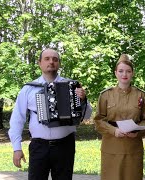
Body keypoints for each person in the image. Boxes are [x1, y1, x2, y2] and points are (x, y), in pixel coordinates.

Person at [8, 48, 92, 180]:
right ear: (39, 63)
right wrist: (17, 148)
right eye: (47, 59)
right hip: (39, 147)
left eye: (55, 59)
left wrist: (82, 100)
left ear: (59, 63)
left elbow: (86, 116)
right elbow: (17, 119)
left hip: (65, 146)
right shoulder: (28, 89)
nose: (51, 62)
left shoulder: (72, 86)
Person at [93, 54, 145, 180]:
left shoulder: (141, 95)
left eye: (128, 71)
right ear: (115, 73)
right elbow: (98, 120)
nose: (124, 74)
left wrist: (137, 132)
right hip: (111, 147)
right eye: (120, 71)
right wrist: (113, 131)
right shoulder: (105, 95)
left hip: (133, 147)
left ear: (132, 73)